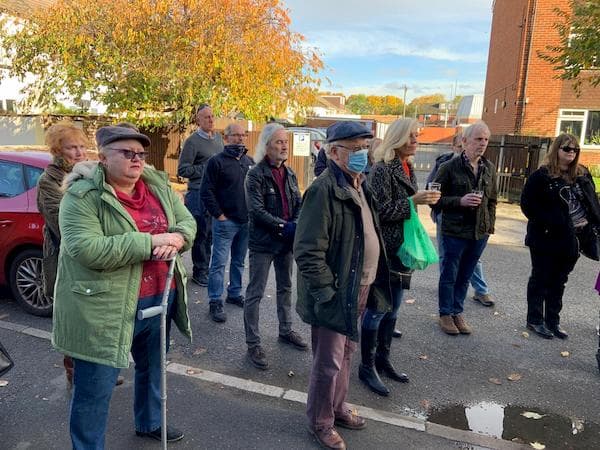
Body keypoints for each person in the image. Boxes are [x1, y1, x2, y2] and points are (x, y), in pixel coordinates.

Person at [52, 126, 196, 448]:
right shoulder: (81, 196)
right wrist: (150, 242)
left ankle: (150, 422)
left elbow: (187, 221)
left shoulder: (157, 186)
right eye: (127, 153)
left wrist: (179, 237)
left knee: (152, 370)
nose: (137, 159)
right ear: (103, 158)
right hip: (105, 309)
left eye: (141, 154)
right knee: (95, 388)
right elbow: (87, 248)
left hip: (159, 298)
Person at [295, 121, 392, 450]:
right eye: (355, 148)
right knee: (328, 361)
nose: (363, 154)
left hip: (359, 287)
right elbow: (307, 251)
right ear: (333, 152)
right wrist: (328, 294)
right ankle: (320, 422)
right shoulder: (322, 190)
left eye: (366, 146)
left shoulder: (359, 183)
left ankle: (336, 408)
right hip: (336, 293)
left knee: (347, 353)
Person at [360, 119, 440, 396]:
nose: (417, 139)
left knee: (394, 309)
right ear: (398, 138)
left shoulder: (407, 166)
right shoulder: (381, 170)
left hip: (403, 249)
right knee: (378, 308)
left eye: (418, 135)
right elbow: (378, 212)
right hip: (385, 250)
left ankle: (383, 359)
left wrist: (420, 202)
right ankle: (366, 366)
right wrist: (412, 202)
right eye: (412, 136)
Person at [520, 133, 600, 339]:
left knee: (559, 280)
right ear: (556, 150)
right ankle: (535, 320)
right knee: (540, 278)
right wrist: (550, 223)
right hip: (546, 237)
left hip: (575, 238)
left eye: (575, 150)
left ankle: (552, 321)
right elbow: (528, 205)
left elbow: (592, 202)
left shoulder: (582, 174)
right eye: (567, 149)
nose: (571, 153)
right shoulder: (542, 176)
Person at [243, 123, 307, 369]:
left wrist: (295, 225)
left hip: (285, 242)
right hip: (263, 243)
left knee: (285, 288)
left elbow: (299, 203)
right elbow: (256, 211)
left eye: (286, 142)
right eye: (279, 142)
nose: (284, 146)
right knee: (255, 292)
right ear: (266, 145)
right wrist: (283, 226)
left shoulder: (290, 173)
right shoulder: (255, 174)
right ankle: (253, 343)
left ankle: (286, 330)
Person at [37, 122, 89, 388]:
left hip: (86, 257)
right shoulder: (48, 182)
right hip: (63, 256)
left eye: (82, 146)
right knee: (72, 318)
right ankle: (73, 371)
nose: (79, 152)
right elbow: (63, 226)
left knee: (89, 316)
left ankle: (92, 372)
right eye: (72, 147)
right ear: (58, 150)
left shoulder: (89, 174)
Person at [433, 121, 497, 335]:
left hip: (479, 233)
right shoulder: (448, 167)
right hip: (454, 231)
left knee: (466, 274)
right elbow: (434, 199)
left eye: (486, 139)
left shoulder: (489, 168)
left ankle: (457, 311)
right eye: (478, 139)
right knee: (450, 274)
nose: (483, 143)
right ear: (464, 141)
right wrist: (459, 201)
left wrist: (489, 226)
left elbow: (492, 201)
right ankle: (445, 314)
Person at [200, 123, 253, 322]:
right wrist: (219, 215)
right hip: (225, 222)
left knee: (239, 261)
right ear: (226, 137)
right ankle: (215, 300)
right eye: (236, 135)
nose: (240, 139)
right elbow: (206, 191)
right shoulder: (216, 162)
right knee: (219, 263)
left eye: (243, 135)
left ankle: (234, 293)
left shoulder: (249, 161)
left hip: (245, 221)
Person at [177, 104, 224, 286]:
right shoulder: (192, 141)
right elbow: (183, 169)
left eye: (212, 116)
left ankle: (206, 268)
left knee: (212, 234)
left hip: (216, 194)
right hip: (197, 194)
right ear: (198, 120)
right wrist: (206, 168)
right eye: (206, 117)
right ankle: (199, 271)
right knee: (201, 234)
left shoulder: (219, 139)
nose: (211, 120)